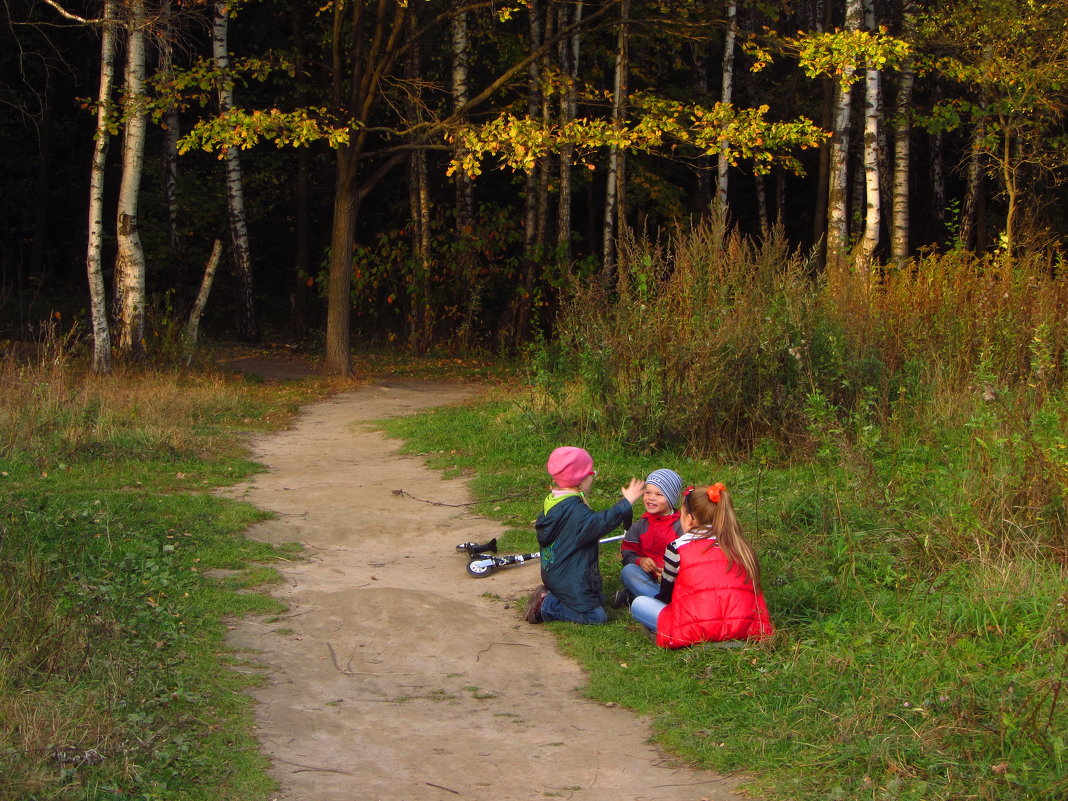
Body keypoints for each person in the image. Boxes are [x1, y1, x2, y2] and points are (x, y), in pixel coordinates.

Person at [630, 482, 774, 648]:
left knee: (640, 603)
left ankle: (678, 635)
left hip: (696, 629)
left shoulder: (677, 547)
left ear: (690, 519)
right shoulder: (741, 545)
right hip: (746, 629)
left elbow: (666, 597)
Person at [523, 446, 644, 625]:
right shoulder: (575, 512)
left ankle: (554, 595)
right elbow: (600, 522)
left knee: (598, 600)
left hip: (557, 572)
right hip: (569, 579)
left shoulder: (556, 500)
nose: (593, 478)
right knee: (597, 617)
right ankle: (546, 605)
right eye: (591, 474)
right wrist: (626, 503)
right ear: (580, 480)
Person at [612, 468, 685, 608]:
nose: (651, 498)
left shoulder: (682, 525)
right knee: (628, 572)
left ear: (671, 498)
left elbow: (690, 556)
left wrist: (671, 572)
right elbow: (628, 553)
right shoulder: (640, 525)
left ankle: (635, 597)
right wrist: (641, 561)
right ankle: (664, 604)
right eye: (647, 493)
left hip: (674, 580)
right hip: (648, 577)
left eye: (659, 494)